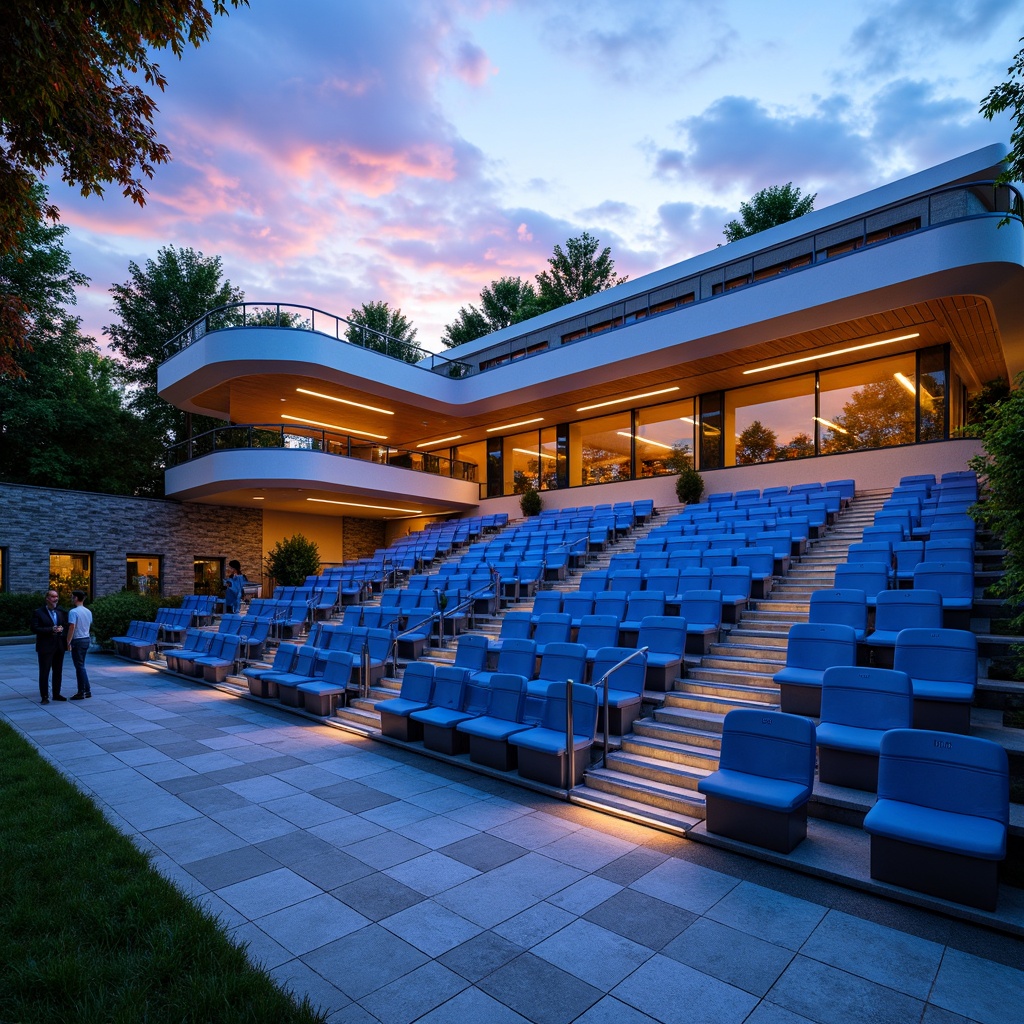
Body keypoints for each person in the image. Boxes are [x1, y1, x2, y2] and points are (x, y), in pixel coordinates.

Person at [31, 588, 68, 703]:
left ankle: (56, 694)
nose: (55, 599)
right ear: (47, 598)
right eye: (52, 596)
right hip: (45, 647)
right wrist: (50, 629)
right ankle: (44, 696)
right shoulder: (39, 612)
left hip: (59, 646)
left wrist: (62, 629)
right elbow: (34, 628)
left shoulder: (60, 612)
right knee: (44, 671)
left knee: (58, 671)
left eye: (56, 596)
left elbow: (65, 626)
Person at [66, 589, 93, 699]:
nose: (71, 599)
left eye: (72, 597)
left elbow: (72, 627)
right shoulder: (88, 611)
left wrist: (68, 641)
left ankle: (81, 691)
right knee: (81, 666)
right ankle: (86, 690)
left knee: (79, 666)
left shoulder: (73, 612)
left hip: (77, 640)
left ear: (76, 598)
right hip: (86, 639)